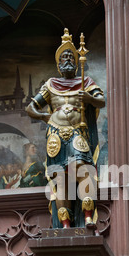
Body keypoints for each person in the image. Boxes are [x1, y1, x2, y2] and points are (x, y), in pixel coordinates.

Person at [25, 28, 105, 228]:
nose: (68, 58)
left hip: (78, 131)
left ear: (77, 63)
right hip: (56, 134)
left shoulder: (84, 81)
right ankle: (65, 224)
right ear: (59, 64)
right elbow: (30, 107)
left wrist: (88, 97)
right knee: (60, 177)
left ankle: (87, 216)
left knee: (83, 169)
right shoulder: (51, 84)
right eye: (64, 57)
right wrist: (44, 116)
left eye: (71, 56)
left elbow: (101, 101)